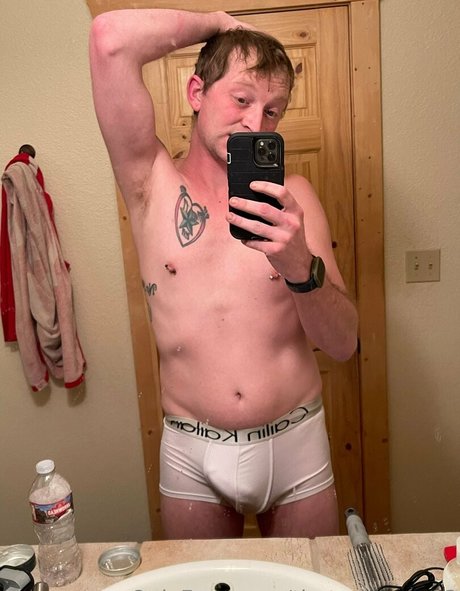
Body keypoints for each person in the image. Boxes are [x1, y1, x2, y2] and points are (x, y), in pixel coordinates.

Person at [89, 8, 358, 539]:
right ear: (197, 92)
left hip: (296, 444)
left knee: (308, 579)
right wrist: (216, 23)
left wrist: (299, 266)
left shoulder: (295, 200)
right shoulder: (149, 185)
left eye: (273, 110)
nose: (256, 124)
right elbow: (108, 38)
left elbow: (345, 344)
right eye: (241, 99)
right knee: (203, 580)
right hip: (192, 451)